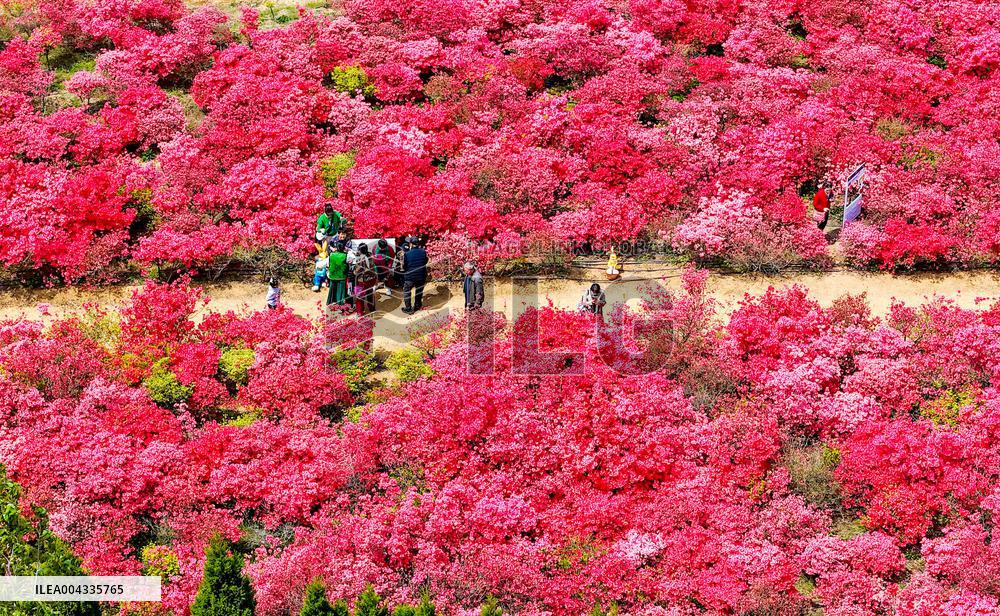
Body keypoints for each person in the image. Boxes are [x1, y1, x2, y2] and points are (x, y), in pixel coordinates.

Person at [401, 238, 428, 314]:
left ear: (411, 244)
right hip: (421, 276)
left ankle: (408, 308)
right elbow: (425, 261)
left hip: (410, 276)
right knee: (419, 291)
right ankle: (417, 306)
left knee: (407, 291)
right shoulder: (423, 252)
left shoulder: (407, 254)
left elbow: (405, 266)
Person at [353, 243, 377, 314]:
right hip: (371, 278)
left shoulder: (361, 259)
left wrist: (354, 272)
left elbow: (357, 270)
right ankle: (371, 308)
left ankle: (360, 311)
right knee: (370, 294)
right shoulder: (370, 256)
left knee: (360, 296)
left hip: (363, 280)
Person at [326, 242, 349, 307]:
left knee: (332, 288)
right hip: (342, 276)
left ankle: (331, 301)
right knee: (340, 289)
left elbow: (328, 264)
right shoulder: (345, 255)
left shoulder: (331, 254)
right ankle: (340, 302)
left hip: (332, 275)